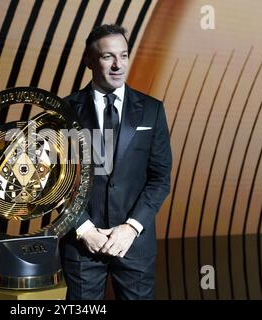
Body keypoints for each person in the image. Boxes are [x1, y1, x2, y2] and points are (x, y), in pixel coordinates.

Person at [60, 24, 172, 300]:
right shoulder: (63, 110)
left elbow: (160, 179)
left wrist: (131, 228)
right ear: (88, 60)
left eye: (123, 56)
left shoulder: (152, 110)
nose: (117, 65)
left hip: (134, 244)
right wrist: (85, 229)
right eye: (107, 57)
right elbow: (57, 181)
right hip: (82, 245)